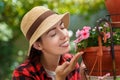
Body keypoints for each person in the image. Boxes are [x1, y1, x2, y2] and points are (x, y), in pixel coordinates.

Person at [12, 6, 84, 80]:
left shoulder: (70, 61)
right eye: (53, 34)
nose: (64, 35)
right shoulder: (23, 73)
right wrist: (60, 78)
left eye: (62, 27)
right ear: (38, 45)